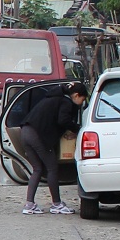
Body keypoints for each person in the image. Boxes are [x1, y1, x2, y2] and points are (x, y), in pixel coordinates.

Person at [19, 82, 88, 215]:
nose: (81, 103)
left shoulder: (53, 97)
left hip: (25, 132)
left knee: (37, 169)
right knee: (52, 168)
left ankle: (29, 204)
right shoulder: (65, 102)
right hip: (38, 136)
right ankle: (56, 204)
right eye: (82, 99)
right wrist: (78, 128)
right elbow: (63, 120)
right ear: (76, 95)